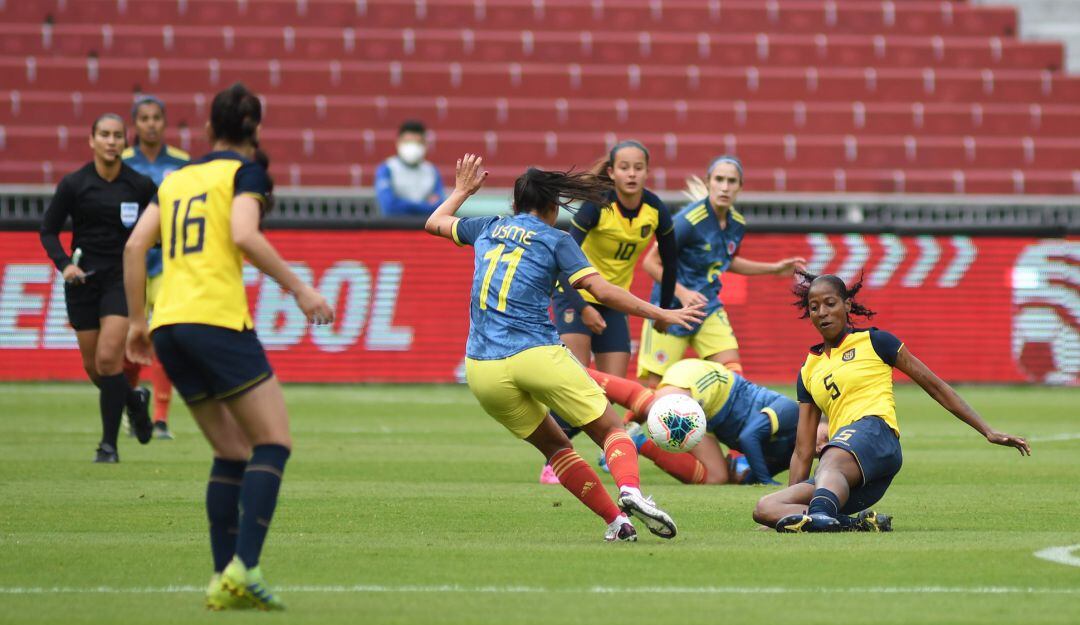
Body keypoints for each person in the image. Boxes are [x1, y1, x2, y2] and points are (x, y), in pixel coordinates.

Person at [123, 82, 334, 609]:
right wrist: (301, 288)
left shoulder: (175, 177)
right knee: (274, 442)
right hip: (215, 319)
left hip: (167, 321)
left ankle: (224, 577)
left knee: (231, 451)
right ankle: (247, 566)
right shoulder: (246, 172)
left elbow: (133, 246)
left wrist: (134, 322)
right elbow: (243, 233)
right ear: (255, 130)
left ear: (208, 129)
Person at [425, 154, 706, 542]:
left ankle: (617, 523)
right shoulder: (556, 239)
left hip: (481, 369)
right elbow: (601, 290)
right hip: (534, 354)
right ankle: (631, 492)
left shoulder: (488, 227)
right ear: (553, 207)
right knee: (611, 428)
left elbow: (434, 222)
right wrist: (660, 311)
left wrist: (460, 192)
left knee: (557, 448)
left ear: (515, 204)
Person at [753, 272, 1031, 533]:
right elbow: (802, 451)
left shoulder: (875, 342)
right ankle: (851, 524)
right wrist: (789, 511)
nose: (822, 312)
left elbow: (934, 385)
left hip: (876, 437)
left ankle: (822, 514)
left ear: (847, 305)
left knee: (831, 456)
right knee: (766, 508)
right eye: (814, 307)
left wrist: (987, 430)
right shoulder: (808, 370)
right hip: (846, 475)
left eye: (830, 303)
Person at [540, 140, 677, 484]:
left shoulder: (656, 210)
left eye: (638, 167)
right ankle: (555, 458)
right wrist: (583, 307)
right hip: (574, 295)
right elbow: (563, 256)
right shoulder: (596, 208)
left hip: (615, 301)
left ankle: (608, 452)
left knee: (608, 391)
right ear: (612, 172)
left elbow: (671, 262)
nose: (632, 174)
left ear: (647, 171)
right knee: (575, 381)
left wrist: (664, 310)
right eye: (625, 167)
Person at [39, 113, 157, 463]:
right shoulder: (75, 184)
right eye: (104, 134)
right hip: (83, 282)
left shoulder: (139, 185)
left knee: (109, 359)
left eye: (117, 135)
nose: (111, 141)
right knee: (96, 369)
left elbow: (162, 224)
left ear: (125, 142)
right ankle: (134, 400)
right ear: (91, 140)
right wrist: (65, 264)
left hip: (123, 279)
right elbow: (48, 231)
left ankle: (108, 446)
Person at [637, 156, 806, 386]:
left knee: (733, 375)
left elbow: (727, 260)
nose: (725, 187)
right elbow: (650, 263)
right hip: (670, 309)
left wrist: (774, 268)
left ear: (740, 187)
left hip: (707, 307)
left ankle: (725, 421)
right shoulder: (687, 221)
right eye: (719, 179)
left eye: (731, 181)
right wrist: (683, 293)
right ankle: (632, 422)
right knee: (654, 389)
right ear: (708, 183)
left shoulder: (737, 223)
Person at [586, 360, 798, 485]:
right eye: (825, 437)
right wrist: (765, 481)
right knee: (666, 410)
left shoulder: (792, 451)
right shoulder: (794, 412)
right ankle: (582, 372)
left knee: (717, 477)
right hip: (708, 384)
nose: (821, 444)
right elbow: (749, 437)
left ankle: (637, 440)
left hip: (706, 417)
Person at [122, 94, 191, 440]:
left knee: (164, 338)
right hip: (131, 260)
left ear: (165, 123)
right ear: (135, 124)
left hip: (168, 264)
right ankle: (133, 411)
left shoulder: (183, 163)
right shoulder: (120, 161)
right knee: (131, 339)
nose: (150, 123)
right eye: (144, 118)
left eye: (156, 118)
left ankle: (161, 418)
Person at [374, 120, 446, 217]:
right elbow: (389, 207)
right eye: (408, 142)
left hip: (424, 230)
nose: (413, 147)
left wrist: (401, 203)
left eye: (417, 143)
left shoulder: (432, 171)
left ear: (425, 144)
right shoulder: (387, 169)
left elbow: (440, 209)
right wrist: (424, 205)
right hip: (395, 229)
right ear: (398, 143)